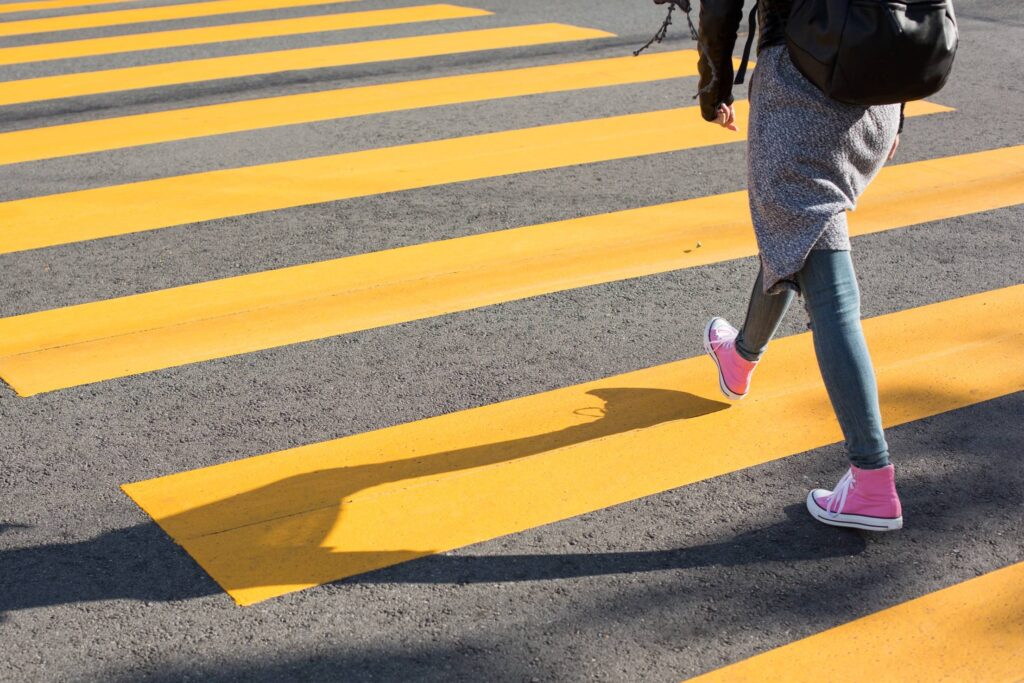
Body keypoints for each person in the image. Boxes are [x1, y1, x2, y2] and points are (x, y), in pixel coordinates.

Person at [655, 0, 905, 531]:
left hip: (803, 83)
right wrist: (899, 105)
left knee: (829, 288)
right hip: (877, 91)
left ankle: (872, 478)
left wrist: (714, 87)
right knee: (801, 230)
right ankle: (740, 357)